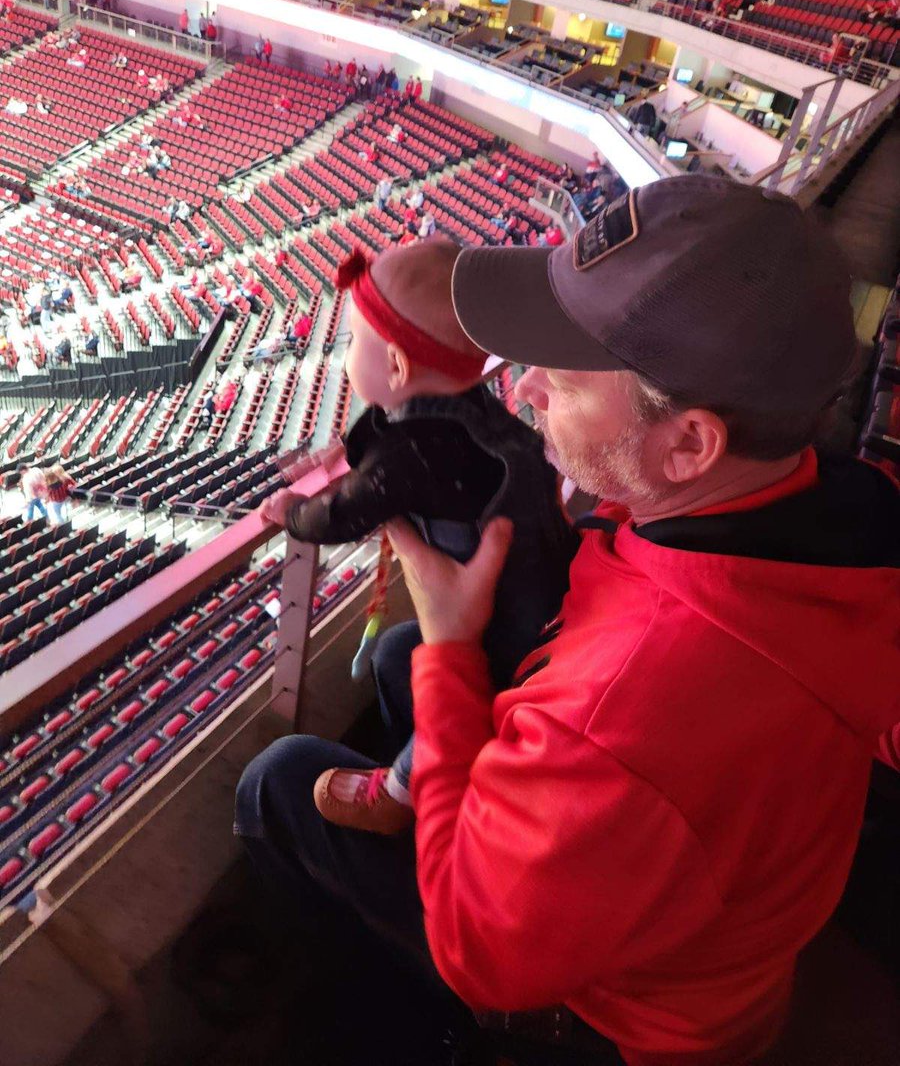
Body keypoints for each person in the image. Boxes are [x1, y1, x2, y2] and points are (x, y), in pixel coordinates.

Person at [237, 175, 899, 1066]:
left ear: (690, 444)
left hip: (614, 1024)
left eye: (567, 377)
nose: (530, 388)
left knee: (281, 778)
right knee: (395, 661)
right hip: (719, 951)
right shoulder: (843, 511)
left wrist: (450, 651)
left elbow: (482, 951)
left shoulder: (623, 718)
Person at [257, 236, 576, 831]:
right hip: (547, 571)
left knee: (478, 683)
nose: (348, 356)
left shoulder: (410, 455)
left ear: (399, 367)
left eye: (355, 343)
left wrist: (292, 511)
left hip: (511, 615)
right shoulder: (471, 408)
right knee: (408, 654)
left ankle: (406, 791)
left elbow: (342, 515)